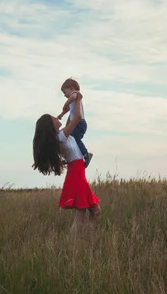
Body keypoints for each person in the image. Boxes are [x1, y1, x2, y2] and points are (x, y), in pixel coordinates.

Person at [33, 94, 101, 232]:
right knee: (80, 213)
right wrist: (79, 99)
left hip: (78, 172)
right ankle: (74, 242)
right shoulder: (61, 137)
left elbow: (71, 117)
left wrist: (68, 108)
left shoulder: (62, 135)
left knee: (95, 211)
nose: (58, 118)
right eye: (55, 118)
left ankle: (88, 235)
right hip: (76, 173)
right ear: (51, 126)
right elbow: (76, 118)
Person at [57, 78, 93, 168]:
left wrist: (66, 102)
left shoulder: (75, 94)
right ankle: (70, 156)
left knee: (75, 138)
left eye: (65, 92)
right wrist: (62, 114)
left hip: (79, 123)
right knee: (71, 138)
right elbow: (68, 109)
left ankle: (86, 154)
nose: (65, 95)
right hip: (78, 123)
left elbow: (71, 98)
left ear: (71, 88)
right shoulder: (73, 100)